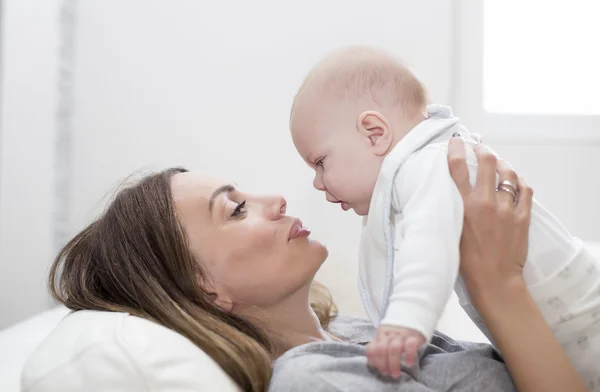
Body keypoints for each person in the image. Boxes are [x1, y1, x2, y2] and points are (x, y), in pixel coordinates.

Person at [44, 135, 588, 391]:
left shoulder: (351, 333)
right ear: (206, 290)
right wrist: (497, 284)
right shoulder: (311, 381)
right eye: (236, 210)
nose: (276, 200)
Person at [289, 45, 600, 386]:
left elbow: (429, 245)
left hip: (584, 320)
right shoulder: (426, 164)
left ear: (375, 133)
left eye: (320, 162)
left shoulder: (426, 165)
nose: (318, 183)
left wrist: (406, 321)